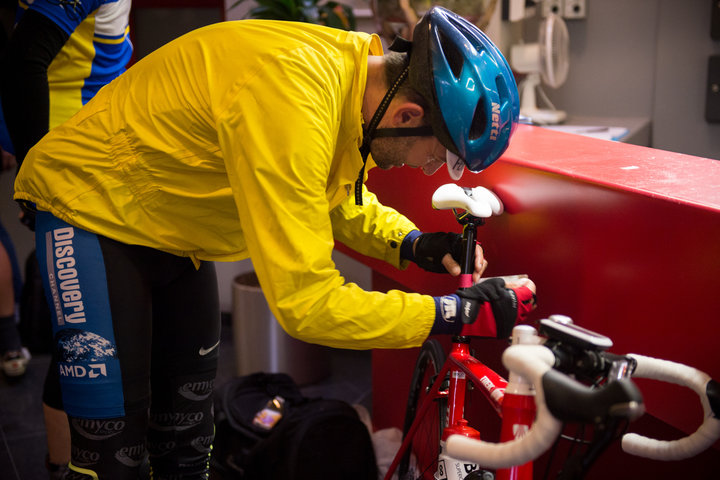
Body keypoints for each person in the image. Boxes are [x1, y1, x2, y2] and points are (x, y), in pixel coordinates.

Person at [14, 6, 535, 479]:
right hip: (86, 206)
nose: (426, 170)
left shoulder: (349, 76)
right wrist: (451, 312)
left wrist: (412, 243)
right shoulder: (292, 97)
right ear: (406, 116)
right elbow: (307, 305)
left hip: (172, 229)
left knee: (188, 446)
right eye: (435, 155)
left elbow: (329, 194)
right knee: (114, 462)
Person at [0, 0, 132, 476]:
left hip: (89, 150)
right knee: (87, 338)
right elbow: (25, 57)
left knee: (91, 330)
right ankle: (64, 467)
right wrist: (37, 173)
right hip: (74, 159)